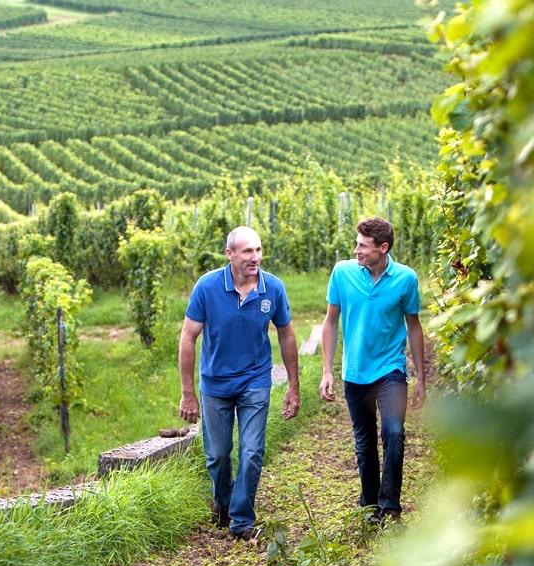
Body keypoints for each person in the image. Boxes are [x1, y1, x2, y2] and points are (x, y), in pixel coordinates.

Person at [179, 225, 301, 540]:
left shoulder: (273, 289)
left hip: (255, 380)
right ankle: (223, 502)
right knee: (218, 455)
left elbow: (286, 334)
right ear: (230, 254)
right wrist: (188, 393)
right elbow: (188, 337)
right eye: (248, 251)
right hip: (215, 384)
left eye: (258, 250)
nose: (255, 257)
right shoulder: (207, 287)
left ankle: (242, 519)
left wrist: (293, 386)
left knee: (252, 451)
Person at [319, 216, 425, 523]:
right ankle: (369, 505)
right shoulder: (342, 273)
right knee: (364, 440)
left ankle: (390, 506)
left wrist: (419, 377)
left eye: (363, 246)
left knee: (393, 432)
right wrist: (327, 370)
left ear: (383, 247)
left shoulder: (406, 279)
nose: (356, 250)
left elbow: (414, 326)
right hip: (355, 372)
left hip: (391, 370)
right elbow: (330, 321)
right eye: (356, 244)